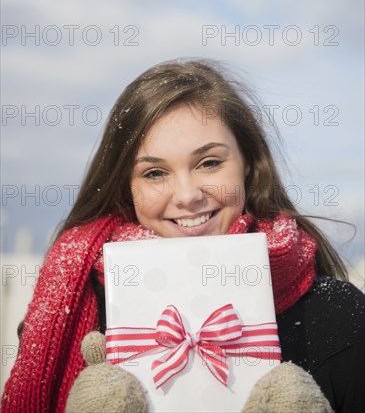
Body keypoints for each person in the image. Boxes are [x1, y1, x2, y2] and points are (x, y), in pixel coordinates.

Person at [2, 58, 364, 413]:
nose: (188, 195)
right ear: (126, 187)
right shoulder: (69, 322)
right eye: (155, 173)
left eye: (209, 163)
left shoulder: (341, 319)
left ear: (248, 164)